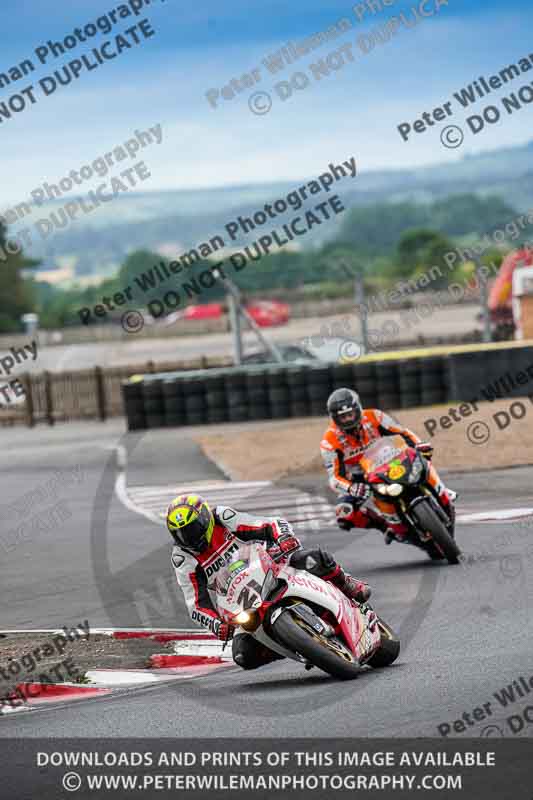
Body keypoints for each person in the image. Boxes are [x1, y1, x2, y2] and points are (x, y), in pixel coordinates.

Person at [167, 493, 371, 670]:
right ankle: (296, 643)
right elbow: (196, 605)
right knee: (242, 655)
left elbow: (268, 523)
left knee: (312, 559)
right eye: (180, 534)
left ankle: (349, 584)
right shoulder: (182, 558)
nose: (188, 538)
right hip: (239, 599)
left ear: (205, 519)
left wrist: (284, 538)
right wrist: (217, 625)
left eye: (192, 529)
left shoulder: (222, 517)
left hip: (270, 562)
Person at [321, 388, 456, 542]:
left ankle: (442, 492)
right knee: (344, 513)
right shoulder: (329, 441)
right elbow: (334, 477)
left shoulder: (375, 416)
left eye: (350, 414)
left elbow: (403, 433)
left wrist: (419, 445)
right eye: (342, 417)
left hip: (390, 460)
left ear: (358, 409)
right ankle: (386, 526)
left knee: (421, 459)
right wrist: (351, 487)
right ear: (334, 418)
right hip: (359, 478)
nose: (348, 420)